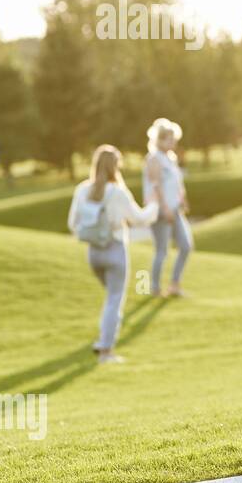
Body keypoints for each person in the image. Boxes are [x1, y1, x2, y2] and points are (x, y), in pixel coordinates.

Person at [68, 145, 158, 364]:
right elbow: (140, 218)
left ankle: (104, 342)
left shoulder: (82, 190)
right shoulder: (117, 192)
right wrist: (154, 204)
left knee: (111, 299)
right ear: (114, 167)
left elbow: (72, 223)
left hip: (93, 254)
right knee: (114, 301)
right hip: (115, 251)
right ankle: (106, 351)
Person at [143, 118, 193, 298]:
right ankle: (154, 288)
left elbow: (177, 183)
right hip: (161, 212)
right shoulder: (154, 159)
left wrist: (183, 199)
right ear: (160, 139)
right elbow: (156, 186)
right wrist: (164, 208)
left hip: (175, 210)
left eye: (173, 139)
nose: (173, 142)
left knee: (186, 246)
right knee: (162, 251)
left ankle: (174, 284)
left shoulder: (171, 158)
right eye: (169, 139)